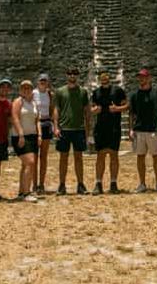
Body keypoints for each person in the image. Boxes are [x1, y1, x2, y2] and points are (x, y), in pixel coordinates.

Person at [53, 67, 92, 195]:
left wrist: (87, 130)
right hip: (64, 129)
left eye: (74, 74)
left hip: (78, 128)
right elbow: (56, 110)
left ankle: (80, 184)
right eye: (70, 73)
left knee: (79, 158)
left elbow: (87, 111)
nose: (72, 76)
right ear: (66, 75)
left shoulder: (83, 92)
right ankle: (62, 184)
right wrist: (56, 127)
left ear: (78, 76)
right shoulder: (60, 91)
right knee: (63, 158)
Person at [129, 68, 157, 193]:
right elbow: (132, 114)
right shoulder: (134, 95)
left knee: (156, 157)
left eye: (144, 77)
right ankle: (142, 183)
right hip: (139, 130)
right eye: (139, 77)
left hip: (153, 129)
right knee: (140, 157)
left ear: (149, 78)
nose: (141, 79)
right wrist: (131, 129)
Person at [90, 72, 128, 194]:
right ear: (100, 80)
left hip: (114, 127)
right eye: (102, 79)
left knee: (113, 155)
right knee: (100, 155)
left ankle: (113, 183)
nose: (104, 80)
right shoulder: (96, 93)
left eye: (106, 79)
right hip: (101, 128)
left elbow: (127, 105)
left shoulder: (118, 91)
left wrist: (117, 109)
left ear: (109, 79)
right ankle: (98, 183)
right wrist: (95, 110)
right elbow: (91, 108)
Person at [10, 80, 41, 202]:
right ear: (20, 90)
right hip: (21, 136)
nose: (26, 90)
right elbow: (15, 118)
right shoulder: (18, 102)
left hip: (32, 136)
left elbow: (37, 120)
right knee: (30, 162)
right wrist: (21, 134)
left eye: (28, 88)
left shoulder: (33, 103)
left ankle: (22, 191)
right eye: (24, 88)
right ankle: (27, 192)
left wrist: (40, 135)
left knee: (25, 165)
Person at [32, 73, 54, 194]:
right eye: (41, 80)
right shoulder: (33, 93)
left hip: (46, 123)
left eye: (45, 80)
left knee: (43, 157)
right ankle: (34, 184)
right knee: (34, 156)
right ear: (37, 81)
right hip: (36, 123)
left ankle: (41, 183)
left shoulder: (49, 94)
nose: (43, 82)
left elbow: (52, 108)